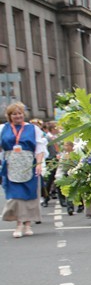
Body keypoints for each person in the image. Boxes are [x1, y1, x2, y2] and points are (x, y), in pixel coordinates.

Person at [1, 102, 45, 238]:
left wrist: (38, 164)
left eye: (20, 113)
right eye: (14, 114)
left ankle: (27, 224)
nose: (17, 116)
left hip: (28, 164)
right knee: (16, 196)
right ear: (9, 116)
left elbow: (39, 148)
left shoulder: (33, 129)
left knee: (29, 195)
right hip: (11, 165)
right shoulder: (3, 128)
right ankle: (19, 223)